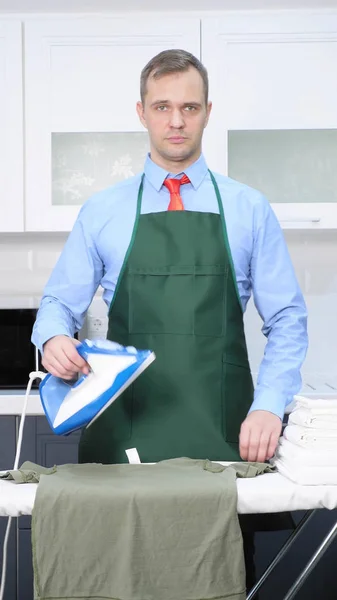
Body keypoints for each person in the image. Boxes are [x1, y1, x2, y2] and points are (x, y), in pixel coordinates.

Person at [32, 48, 308, 591]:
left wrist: (269, 407)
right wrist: (53, 339)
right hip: (124, 436)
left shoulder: (250, 208)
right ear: (141, 112)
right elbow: (56, 305)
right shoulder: (103, 210)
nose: (176, 121)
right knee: (118, 578)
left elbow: (289, 320)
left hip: (223, 435)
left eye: (189, 107)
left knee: (217, 576)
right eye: (162, 107)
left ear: (208, 111)